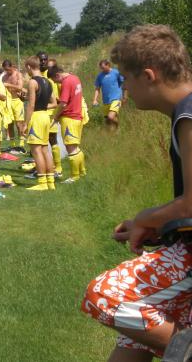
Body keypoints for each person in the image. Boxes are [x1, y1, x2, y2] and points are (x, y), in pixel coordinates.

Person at [81, 25, 192, 361]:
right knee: (136, 339)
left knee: (106, 295)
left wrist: (148, 217)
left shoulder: (188, 117)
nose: (124, 87)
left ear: (148, 76)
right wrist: (159, 224)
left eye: (126, 78)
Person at [22, 56, 57, 191]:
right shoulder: (48, 81)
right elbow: (54, 103)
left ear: (30, 67)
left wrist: (25, 123)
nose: (27, 72)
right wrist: (42, 106)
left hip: (36, 117)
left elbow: (30, 105)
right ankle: (51, 182)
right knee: (45, 149)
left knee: (36, 150)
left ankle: (42, 182)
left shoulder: (32, 82)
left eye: (27, 70)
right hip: (45, 117)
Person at [48, 64, 85, 183]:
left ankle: (74, 176)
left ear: (57, 75)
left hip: (69, 118)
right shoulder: (76, 78)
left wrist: (55, 116)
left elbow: (63, 103)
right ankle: (82, 171)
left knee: (70, 148)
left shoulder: (66, 82)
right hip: (78, 117)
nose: (57, 83)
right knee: (76, 147)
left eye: (55, 80)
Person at [39, 52, 62, 177]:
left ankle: (57, 167)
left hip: (51, 112)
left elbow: (60, 93)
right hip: (39, 113)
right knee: (41, 142)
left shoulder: (52, 76)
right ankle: (46, 166)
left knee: (53, 139)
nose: (43, 62)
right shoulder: (38, 74)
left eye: (45, 60)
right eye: (41, 60)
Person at [93, 59, 127, 130]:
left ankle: (116, 129)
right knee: (108, 121)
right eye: (101, 68)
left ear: (108, 65)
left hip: (116, 99)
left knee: (110, 117)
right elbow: (97, 88)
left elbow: (123, 84)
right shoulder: (100, 76)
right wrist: (95, 99)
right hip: (106, 101)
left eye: (103, 67)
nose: (102, 69)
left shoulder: (116, 73)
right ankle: (116, 132)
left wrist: (124, 96)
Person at [2, 59, 26, 152]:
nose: (7, 71)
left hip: (17, 101)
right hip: (8, 101)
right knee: (9, 123)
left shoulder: (18, 74)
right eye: (5, 70)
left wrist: (9, 85)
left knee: (19, 123)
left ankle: (21, 144)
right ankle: (12, 145)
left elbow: (20, 87)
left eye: (8, 69)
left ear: (12, 66)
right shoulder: (4, 77)